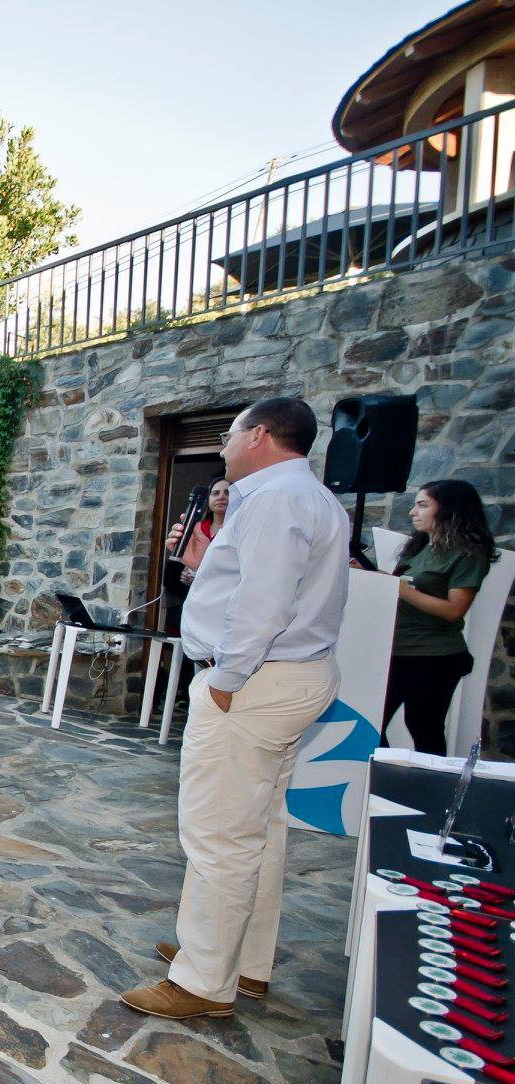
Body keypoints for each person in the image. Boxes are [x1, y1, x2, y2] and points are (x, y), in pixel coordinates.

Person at [121, 397, 347, 1022]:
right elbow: (260, 588)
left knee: (219, 833)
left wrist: (226, 678)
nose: (222, 445)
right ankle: (240, 958)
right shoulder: (310, 497)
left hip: (254, 684)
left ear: (260, 436)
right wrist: (203, 569)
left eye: (230, 433)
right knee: (259, 826)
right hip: (289, 678)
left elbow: (264, 604)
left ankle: (203, 980)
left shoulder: (275, 500)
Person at [382, 479, 497, 755]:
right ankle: (387, 774)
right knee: (374, 721)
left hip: (433, 655)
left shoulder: (468, 554)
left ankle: (428, 780)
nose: (413, 512)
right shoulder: (420, 547)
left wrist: (398, 589)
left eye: (422, 505)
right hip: (398, 649)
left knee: (423, 726)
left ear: (449, 510)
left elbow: (454, 610)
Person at [177, 478, 231, 583]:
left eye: (227, 492)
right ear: (208, 499)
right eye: (215, 493)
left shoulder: (240, 529)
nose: (221, 497)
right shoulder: (197, 529)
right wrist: (188, 574)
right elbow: (190, 566)